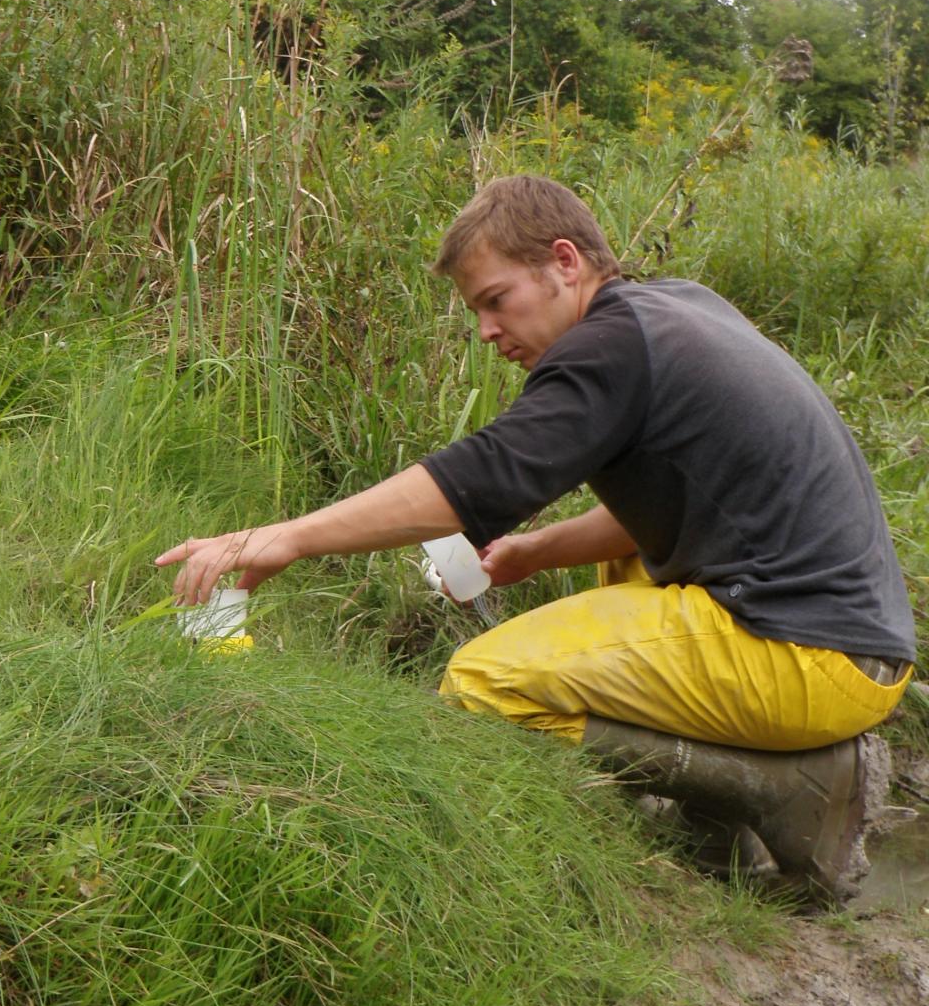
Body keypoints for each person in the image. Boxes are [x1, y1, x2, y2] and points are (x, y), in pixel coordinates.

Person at [156, 175, 917, 903]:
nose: (488, 331)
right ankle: (716, 831)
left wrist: (287, 538)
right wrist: (533, 551)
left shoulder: (610, 347)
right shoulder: (678, 308)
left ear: (564, 261)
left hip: (805, 654)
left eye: (497, 301)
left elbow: (478, 478)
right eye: (477, 312)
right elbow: (696, 501)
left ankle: (784, 788)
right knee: (631, 556)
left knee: (484, 682)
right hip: (849, 642)